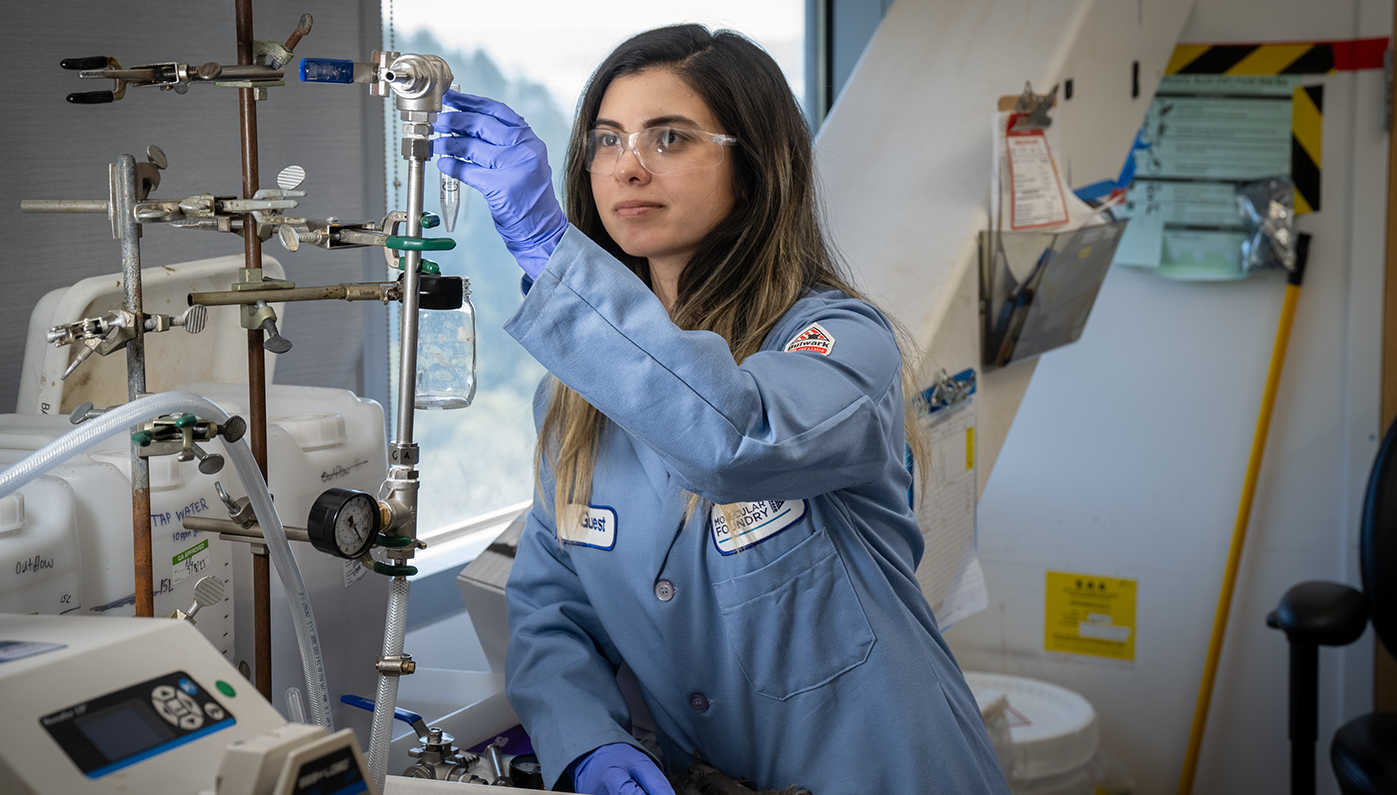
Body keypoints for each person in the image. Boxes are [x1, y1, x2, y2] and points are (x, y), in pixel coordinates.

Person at [431, 24, 1008, 795]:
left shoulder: (840, 342)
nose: (627, 167)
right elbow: (549, 606)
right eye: (607, 140)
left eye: (668, 137)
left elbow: (733, 437)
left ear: (755, 164)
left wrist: (547, 248)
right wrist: (587, 739)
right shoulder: (572, 400)